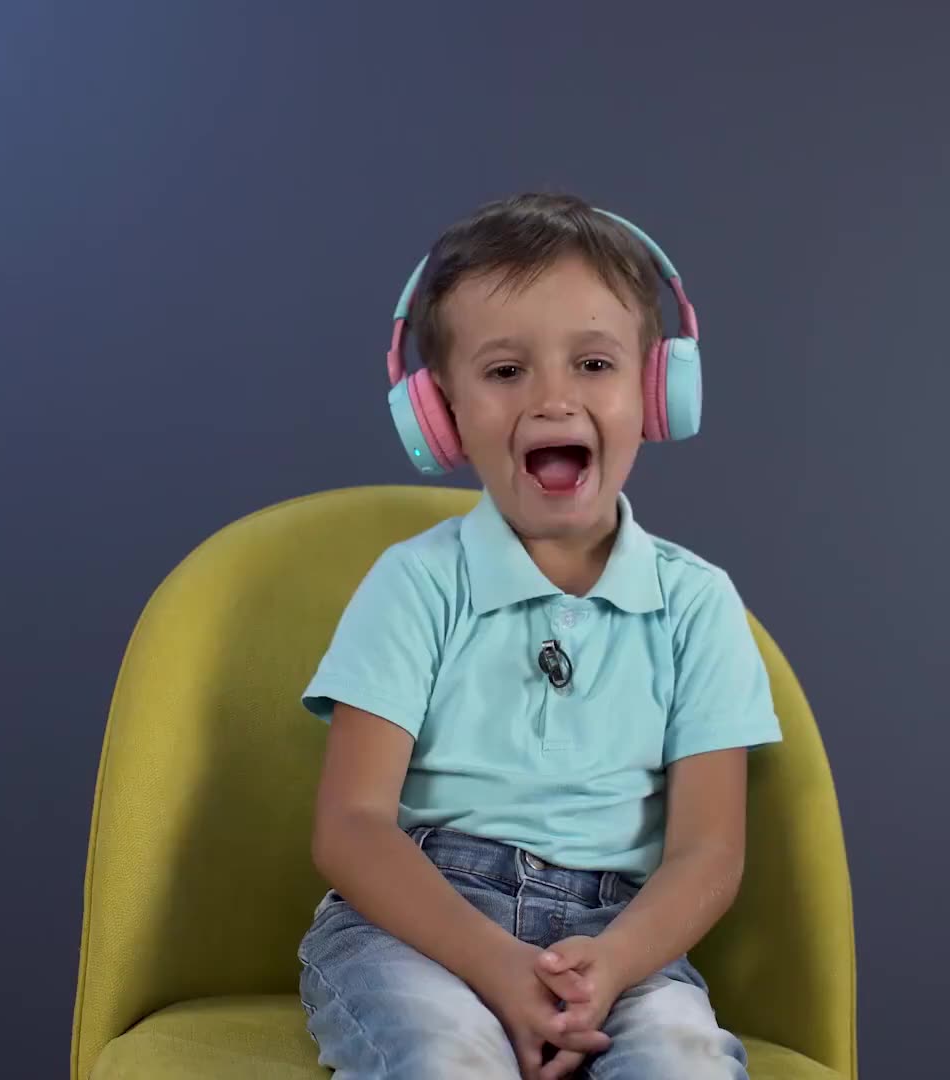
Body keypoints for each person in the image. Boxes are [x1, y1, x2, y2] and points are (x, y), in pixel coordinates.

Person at [297, 191, 782, 1080]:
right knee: (444, 1056)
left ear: (656, 394)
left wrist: (613, 967)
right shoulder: (415, 584)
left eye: (594, 363)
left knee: (684, 1062)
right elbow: (352, 826)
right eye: (505, 371)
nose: (554, 398)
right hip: (422, 928)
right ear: (439, 412)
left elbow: (709, 851)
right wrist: (496, 965)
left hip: (621, 940)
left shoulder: (698, 605)